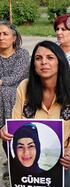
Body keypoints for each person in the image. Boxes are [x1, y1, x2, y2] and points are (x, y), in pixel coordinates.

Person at [0, 40, 70, 187]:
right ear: (33, 65)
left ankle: (23, 180)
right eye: (38, 58)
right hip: (29, 149)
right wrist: (5, 130)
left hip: (66, 152)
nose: (44, 62)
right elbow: (15, 124)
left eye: (50, 58)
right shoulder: (24, 87)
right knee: (7, 139)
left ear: (59, 62)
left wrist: (68, 154)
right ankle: (23, 186)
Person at [0, 21, 29, 156]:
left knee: (6, 92)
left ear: (14, 38)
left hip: (20, 93)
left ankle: (7, 127)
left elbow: (15, 78)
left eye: (5, 34)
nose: (1, 37)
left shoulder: (22, 54)